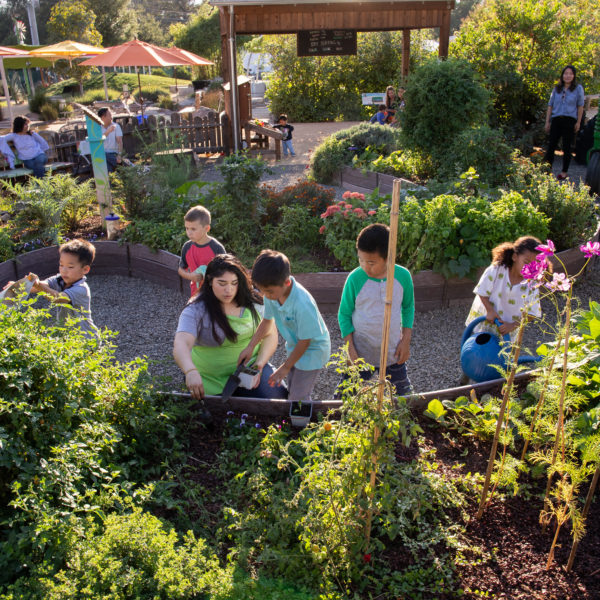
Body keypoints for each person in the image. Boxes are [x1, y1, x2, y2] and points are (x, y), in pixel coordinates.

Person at [173, 254, 287, 400]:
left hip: (250, 370)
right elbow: (181, 343)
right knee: (209, 418)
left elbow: (270, 334)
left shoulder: (254, 301)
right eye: (222, 283)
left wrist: (259, 364)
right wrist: (190, 371)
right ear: (209, 281)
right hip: (208, 378)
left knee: (279, 400)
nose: (229, 290)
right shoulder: (195, 310)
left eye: (234, 283)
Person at [239, 250, 331, 403]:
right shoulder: (272, 293)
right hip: (296, 345)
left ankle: (301, 424)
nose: (265, 295)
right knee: (293, 385)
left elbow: (305, 341)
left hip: (313, 350)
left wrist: (285, 367)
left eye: (268, 291)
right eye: (261, 290)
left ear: (286, 282)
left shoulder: (302, 304)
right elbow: (267, 321)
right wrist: (250, 346)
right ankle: (294, 412)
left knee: (298, 396)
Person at [337, 223, 414, 396]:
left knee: (403, 399)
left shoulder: (402, 276)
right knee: (344, 398)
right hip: (360, 351)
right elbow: (344, 314)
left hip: (393, 350)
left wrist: (406, 340)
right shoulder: (355, 279)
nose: (365, 265)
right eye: (361, 259)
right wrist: (350, 349)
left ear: (389, 257)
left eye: (371, 262)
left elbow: (408, 307)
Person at [2, 239, 99, 338]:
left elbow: (58, 298)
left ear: (85, 269)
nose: (64, 271)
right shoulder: (58, 279)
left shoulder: (81, 289)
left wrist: (38, 285)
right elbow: (38, 287)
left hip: (86, 337)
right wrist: (19, 286)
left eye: (70, 267)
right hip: (68, 336)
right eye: (61, 265)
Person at [465, 236, 545, 342]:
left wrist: (513, 325)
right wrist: (490, 310)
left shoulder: (532, 284)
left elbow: (532, 313)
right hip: (484, 321)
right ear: (514, 257)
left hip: (506, 330)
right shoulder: (497, 270)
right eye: (526, 262)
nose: (530, 268)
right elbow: (482, 291)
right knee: (476, 348)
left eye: (534, 265)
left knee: (502, 354)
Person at [544, 65, 585, 180]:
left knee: (567, 147)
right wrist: (547, 122)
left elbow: (580, 106)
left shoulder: (578, 89)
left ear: (574, 76)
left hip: (570, 120)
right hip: (556, 119)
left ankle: (564, 172)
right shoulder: (556, 88)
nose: (568, 76)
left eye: (570, 74)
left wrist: (578, 122)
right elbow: (550, 106)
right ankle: (547, 170)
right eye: (565, 73)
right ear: (562, 75)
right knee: (551, 145)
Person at [178, 205, 226, 297]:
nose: (189, 232)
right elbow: (180, 270)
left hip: (215, 295)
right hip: (195, 294)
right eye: (187, 228)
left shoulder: (216, 248)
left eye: (193, 229)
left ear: (206, 228)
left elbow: (226, 273)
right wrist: (191, 276)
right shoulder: (187, 247)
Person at [97, 108, 123, 172]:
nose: (112, 117)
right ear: (103, 117)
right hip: (102, 154)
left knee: (105, 159)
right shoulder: (97, 128)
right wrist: (108, 131)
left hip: (113, 153)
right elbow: (99, 140)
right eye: (109, 115)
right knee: (104, 159)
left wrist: (119, 155)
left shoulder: (116, 126)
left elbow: (119, 141)